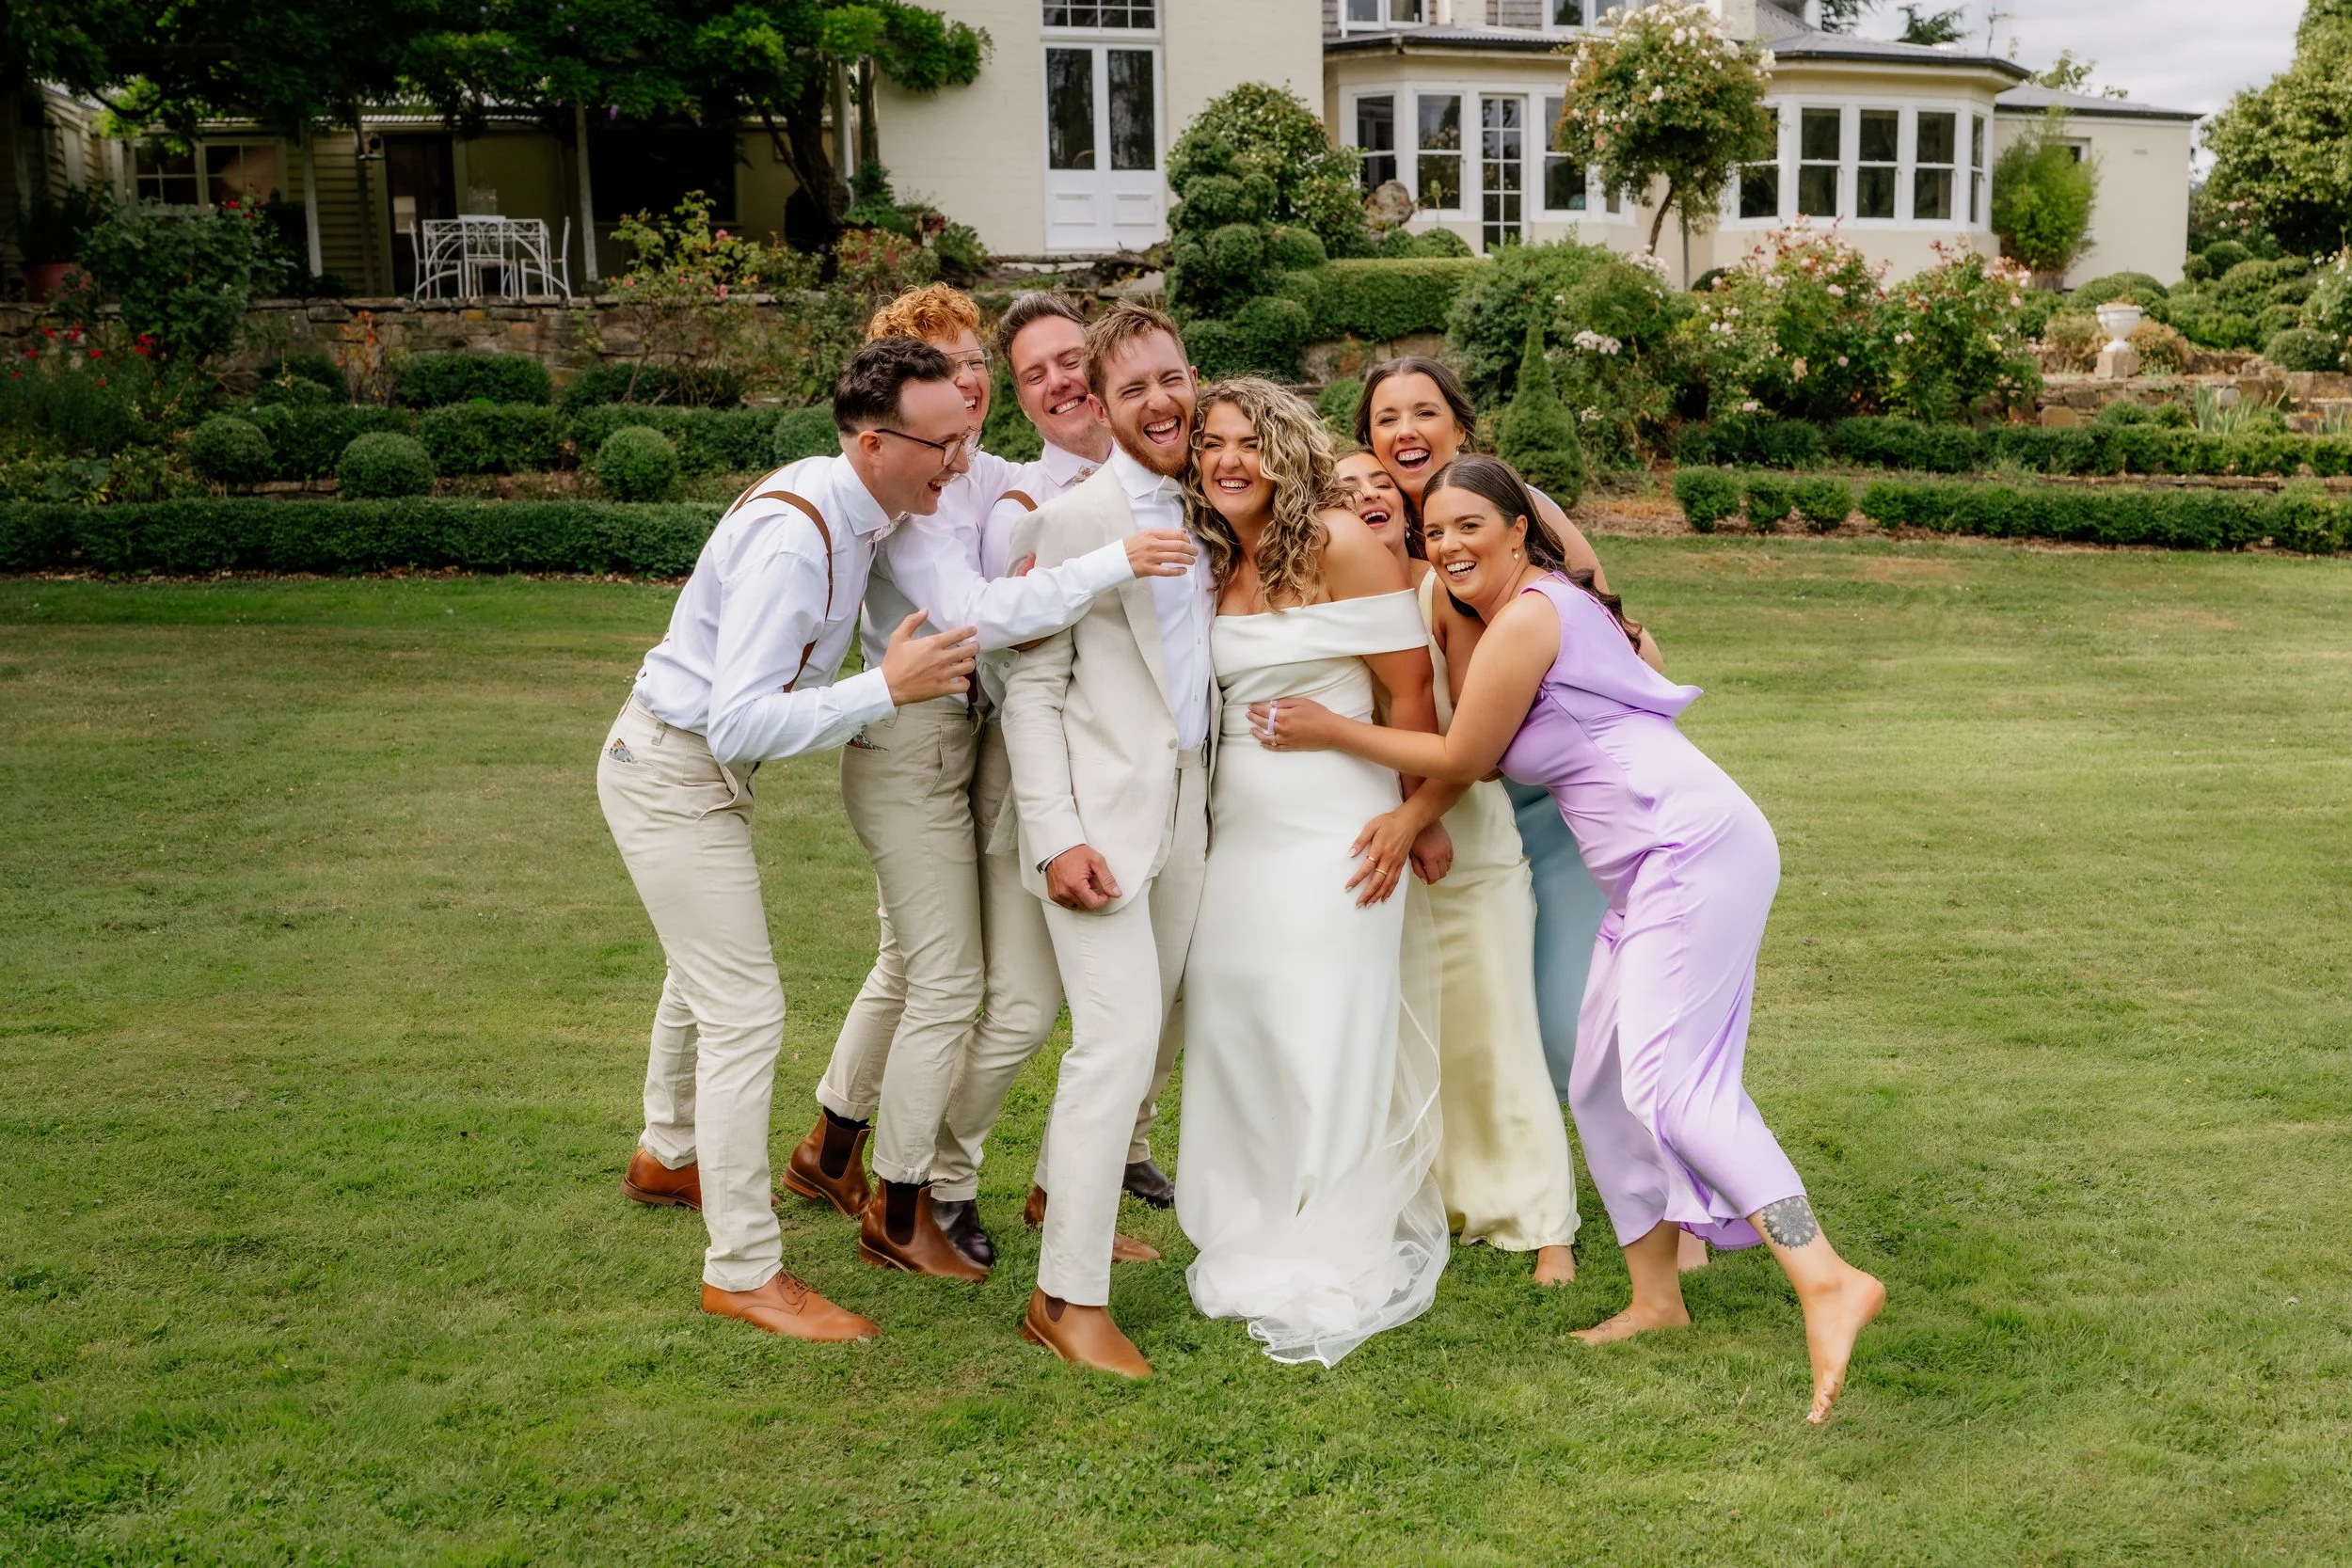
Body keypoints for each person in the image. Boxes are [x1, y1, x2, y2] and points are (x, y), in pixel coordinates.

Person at [1248, 454, 1886, 1422]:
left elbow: (1469, 756)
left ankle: (1826, 1272)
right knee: (1598, 1075)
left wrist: (1332, 730)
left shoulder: (1536, 612)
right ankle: (1655, 1297)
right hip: (1648, 868)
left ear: (1518, 530)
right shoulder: (1505, 616)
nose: (1450, 543)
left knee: (1675, 1086)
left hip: (1687, 848)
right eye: (1436, 533)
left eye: (1471, 525)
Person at [786, 286, 1195, 1282]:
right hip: (969, 745)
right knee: (978, 991)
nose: (1041, 381)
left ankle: (873, 1154)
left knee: (979, 980)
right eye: (1019, 370)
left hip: (1071, 764)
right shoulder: (1009, 502)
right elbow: (999, 631)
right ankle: (911, 1185)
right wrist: (1102, 555)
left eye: (981, 363)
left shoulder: (1018, 479)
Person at [601, 339, 982, 1344]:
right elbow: (737, 720)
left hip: (690, 769)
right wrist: (885, 690)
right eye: (943, 442)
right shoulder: (798, 536)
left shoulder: (861, 508)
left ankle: (666, 1153)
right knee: (745, 1010)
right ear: (873, 442)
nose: (960, 458)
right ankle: (743, 1269)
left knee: (701, 972)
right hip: (673, 769)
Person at [1356, 358, 1708, 1276]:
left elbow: (1625, 642)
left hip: (1555, 810)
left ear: (1459, 426)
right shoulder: (1376, 534)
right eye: (1385, 416)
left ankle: (1684, 1202)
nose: (1405, 429)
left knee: (1581, 1021)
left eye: (1424, 411)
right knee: (1530, 1032)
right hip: (1475, 810)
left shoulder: (1512, 509)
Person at [1176, 382, 1448, 1367]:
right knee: (1237, 1014)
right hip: (1239, 835)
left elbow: (1413, 692)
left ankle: (1327, 1223)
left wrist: (1415, 814)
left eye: (1248, 443)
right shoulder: (1211, 561)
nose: (1227, 460)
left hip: (1339, 826)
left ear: (1286, 450)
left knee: (1326, 1020)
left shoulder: (1341, 540)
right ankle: (1249, 1204)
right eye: (1211, 444)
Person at [933, 293, 1182, 1266]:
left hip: (1147, 789)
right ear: (1023, 405)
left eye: (1071, 359)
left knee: (1143, 1010)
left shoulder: (1184, 476)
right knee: (1027, 1009)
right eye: (1034, 373)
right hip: (1035, 781)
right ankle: (932, 1177)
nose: (1060, 380)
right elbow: (1021, 674)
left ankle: (1064, 1184)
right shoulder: (1034, 514)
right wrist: (1053, 821)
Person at [995, 302, 1219, 1377]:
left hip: (1192, 816)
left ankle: (1067, 1208)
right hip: (1092, 823)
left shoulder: (1219, 498)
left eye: (1170, 378)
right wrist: (1052, 840)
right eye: (1132, 389)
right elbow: (1028, 693)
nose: (1159, 401)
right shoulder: (1076, 519)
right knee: (1116, 1041)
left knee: (1154, 1044)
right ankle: (1064, 1298)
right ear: (1104, 401)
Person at [1335, 448, 1581, 1288]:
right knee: (1417, 1038)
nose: (1368, 495)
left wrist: (1420, 817)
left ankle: (1550, 1222)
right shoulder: (1330, 592)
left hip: (1464, 839)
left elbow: (1480, 743)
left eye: (1380, 485)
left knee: (1500, 1027)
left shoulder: (1442, 591)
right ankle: (1438, 1200)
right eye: (1346, 488)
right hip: (1376, 853)